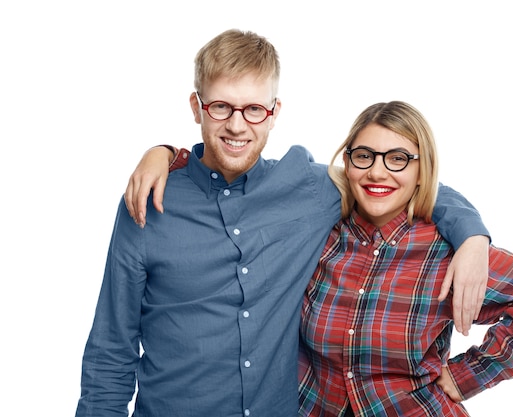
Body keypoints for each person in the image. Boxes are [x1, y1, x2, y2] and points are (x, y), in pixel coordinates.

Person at [76, 30, 491, 417]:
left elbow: (391, 181)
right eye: (220, 106)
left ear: (274, 113)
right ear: (196, 107)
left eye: (254, 109)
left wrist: (472, 235)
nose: (237, 125)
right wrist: (163, 151)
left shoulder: (309, 188)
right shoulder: (150, 198)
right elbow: (111, 349)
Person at [296, 101, 513, 416]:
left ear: (423, 171)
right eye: (364, 156)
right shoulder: (321, 236)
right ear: (348, 164)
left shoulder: (447, 250)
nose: (377, 172)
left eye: (398, 159)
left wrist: (466, 376)